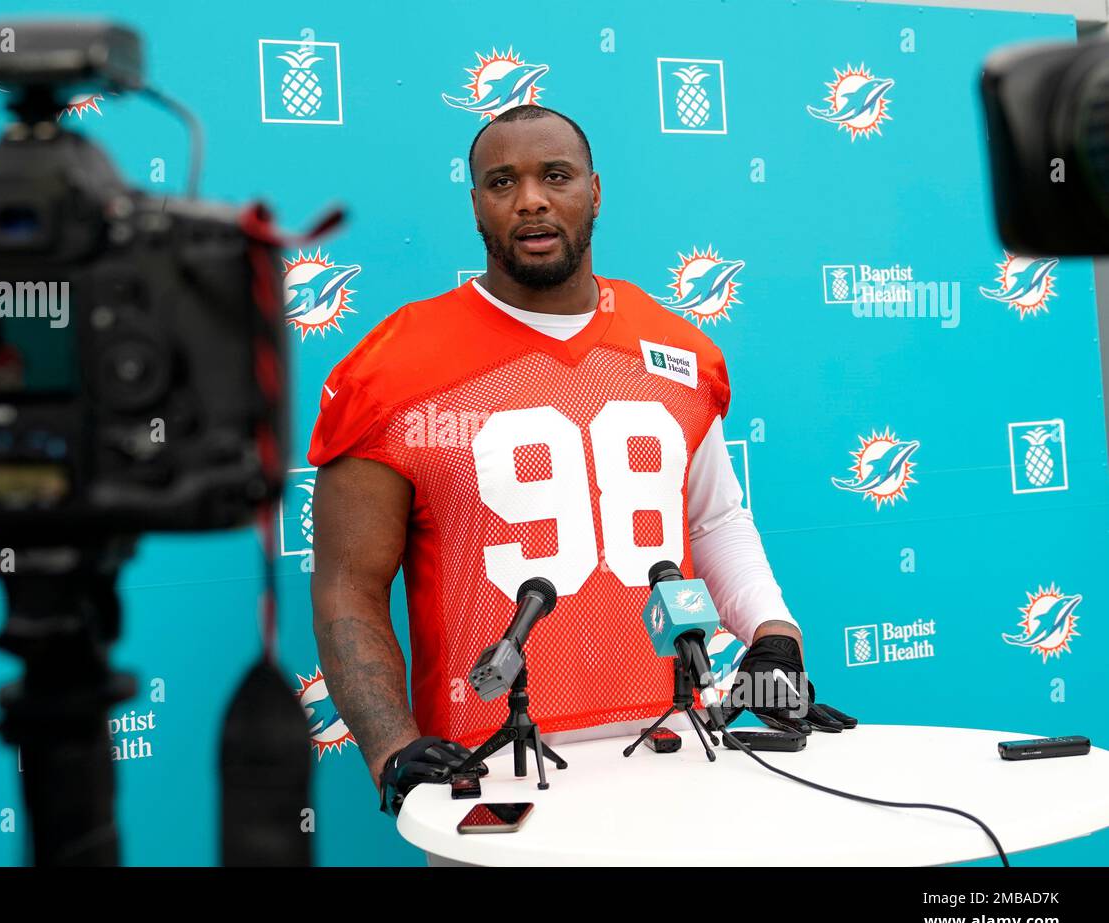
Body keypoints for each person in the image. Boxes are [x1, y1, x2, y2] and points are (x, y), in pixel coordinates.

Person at [308, 105, 854, 816]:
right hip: (491, 762)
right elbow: (348, 584)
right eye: (502, 182)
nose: (531, 199)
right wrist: (390, 746)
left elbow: (714, 519)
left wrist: (774, 635)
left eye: (555, 176)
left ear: (594, 191)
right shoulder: (394, 370)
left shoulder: (677, 352)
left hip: (675, 745)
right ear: (476, 204)